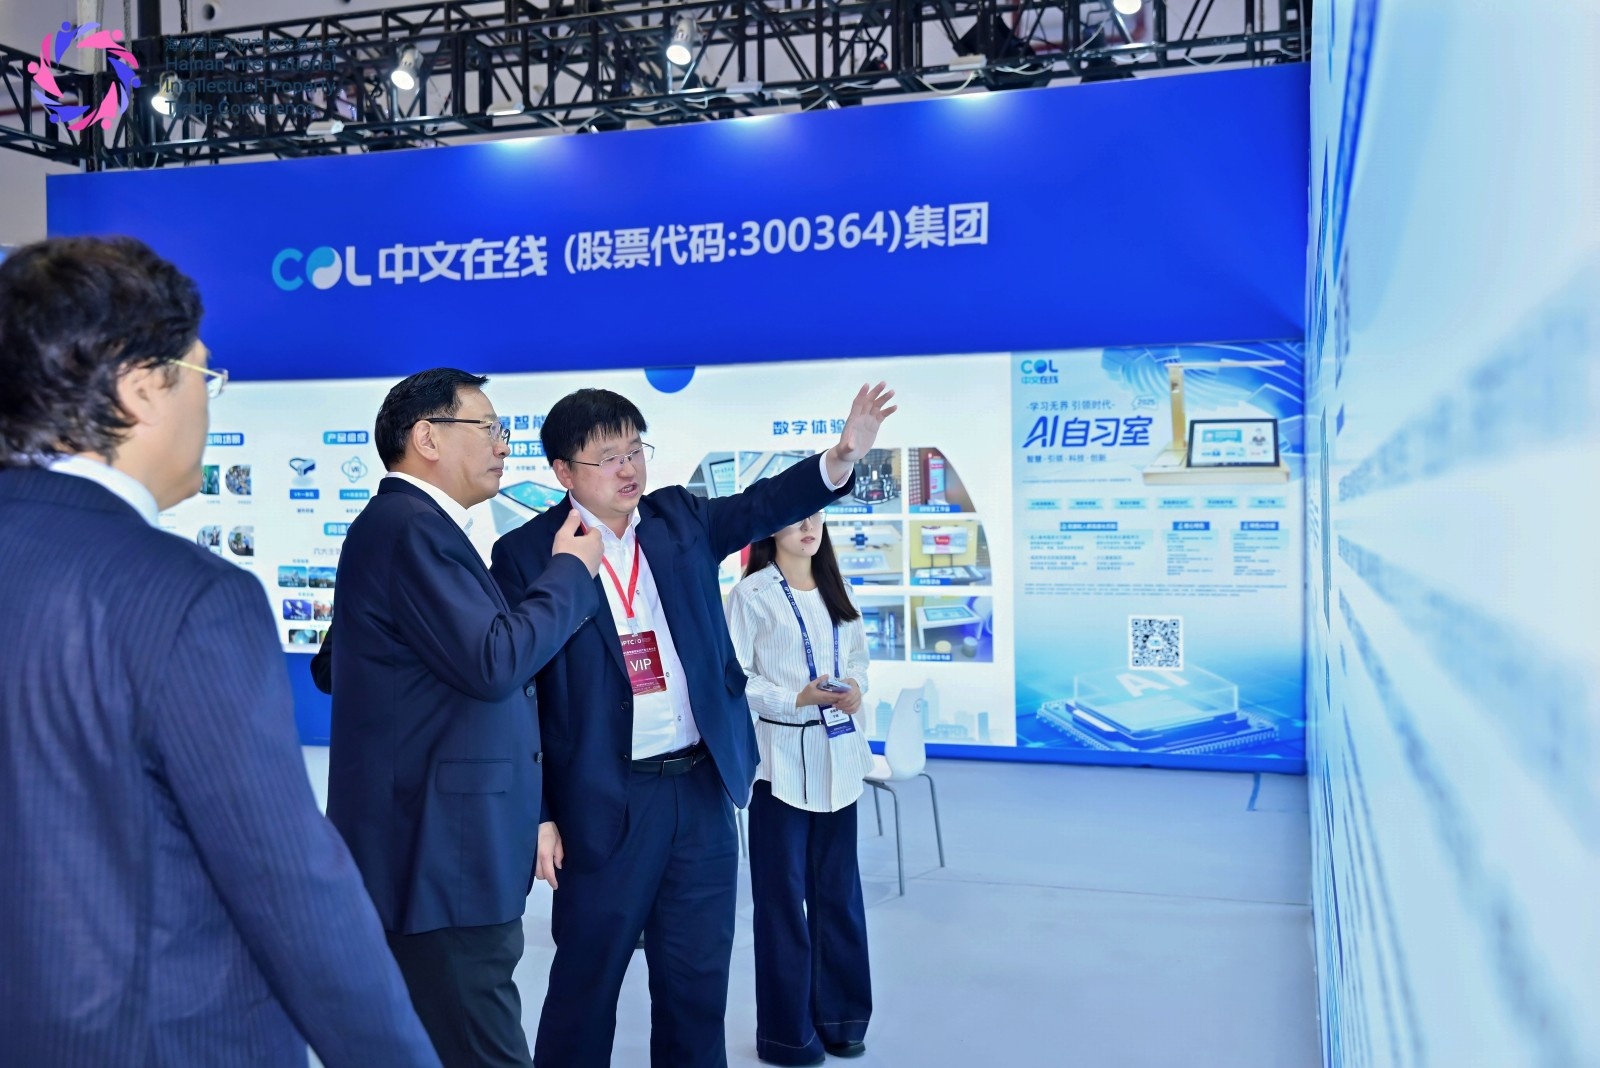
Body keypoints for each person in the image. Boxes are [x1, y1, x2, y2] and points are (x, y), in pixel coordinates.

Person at [0, 236, 441, 1067]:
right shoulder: (188, 596)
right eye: (204, 376)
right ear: (141, 386)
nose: (210, 402)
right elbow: (288, 883)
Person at [491, 384, 896, 1068]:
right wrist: (540, 814)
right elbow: (516, 695)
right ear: (564, 472)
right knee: (587, 981)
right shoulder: (528, 553)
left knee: (697, 980)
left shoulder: (677, 518)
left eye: (635, 450)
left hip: (701, 788)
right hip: (603, 798)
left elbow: (764, 503)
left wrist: (840, 458)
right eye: (607, 457)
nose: (629, 469)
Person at [322, 367, 603, 1068]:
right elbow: (494, 661)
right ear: (427, 438)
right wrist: (570, 573)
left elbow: (336, 663)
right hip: (439, 859)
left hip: (429, 850)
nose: (504, 445)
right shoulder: (410, 528)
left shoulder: (402, 529)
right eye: (489, 428)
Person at [725, 514, 875, 1065]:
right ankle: (787, 1035)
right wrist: (796, 697)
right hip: (780, 766)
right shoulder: (751, 595)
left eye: (817, 515)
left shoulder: (839, 585)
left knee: (840, 895)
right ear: (771, 526)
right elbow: (735, 677)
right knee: (783, 903)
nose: (809, 525)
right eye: (797, 516)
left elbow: (857, 660)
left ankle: (843, 1019)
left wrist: (853, 687)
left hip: (840, 760)